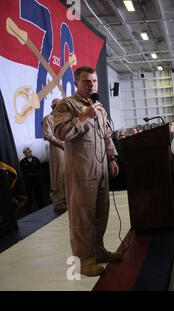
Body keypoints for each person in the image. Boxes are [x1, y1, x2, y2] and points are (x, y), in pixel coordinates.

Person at [54, 66, 120, 276]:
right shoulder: (67, 105)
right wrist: (83, 117)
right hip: (81, 171)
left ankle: (98, 251)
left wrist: (112, 157)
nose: (91, 85)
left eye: (94, 81)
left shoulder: (99, 106)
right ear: (76, 83)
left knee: (101, 212)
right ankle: (84, 260)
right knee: (83, 217)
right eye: (86, 82)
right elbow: (61, 133)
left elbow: (106, 134)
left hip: (101, 168)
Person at [42, 99, 66, 212]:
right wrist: (60, 143)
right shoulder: (48, 118)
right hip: (57, 148)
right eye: (56, 105)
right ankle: (59, 201)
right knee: (58, 174)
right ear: (52, 106)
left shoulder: (64, 118)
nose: (58, 107)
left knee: (68, 173)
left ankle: (67, 198)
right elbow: (47, 135)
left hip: (69, 148)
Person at [19, 147, 45, 212]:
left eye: (29, 152)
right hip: (28, 180)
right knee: (28, 194)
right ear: (24, 154)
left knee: (38, 193)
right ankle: (29, 208)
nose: (28, 153)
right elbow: (21, 172)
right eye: (26, 153)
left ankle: (41, 206)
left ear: (31, 152)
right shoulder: (22, 162)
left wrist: (39, 178)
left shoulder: (36, 159)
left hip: (36, 179)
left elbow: (40, 169)